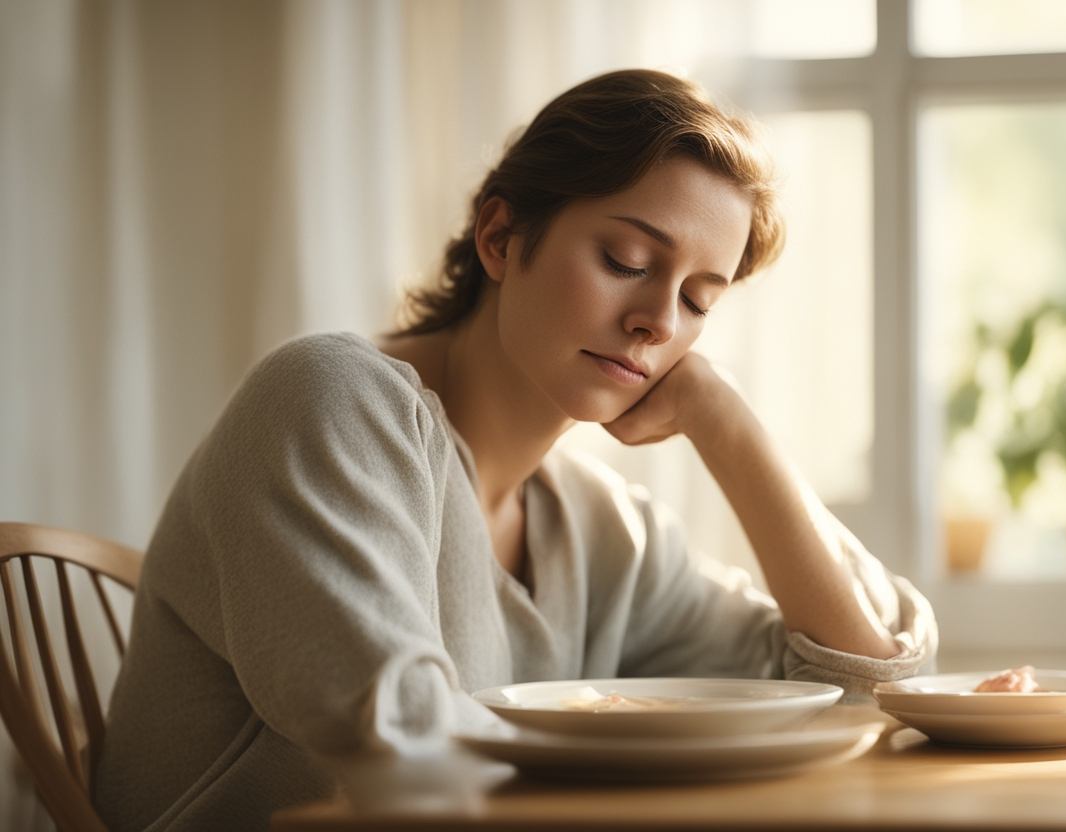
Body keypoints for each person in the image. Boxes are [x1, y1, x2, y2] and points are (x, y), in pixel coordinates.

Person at [95, 68, 937, 831]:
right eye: (626, 260)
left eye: (698, 299)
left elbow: (865, 691)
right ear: (500, 237)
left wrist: (729, 426)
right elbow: (401, 732)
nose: (659, 321)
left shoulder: (601, 530)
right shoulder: (329, 402)